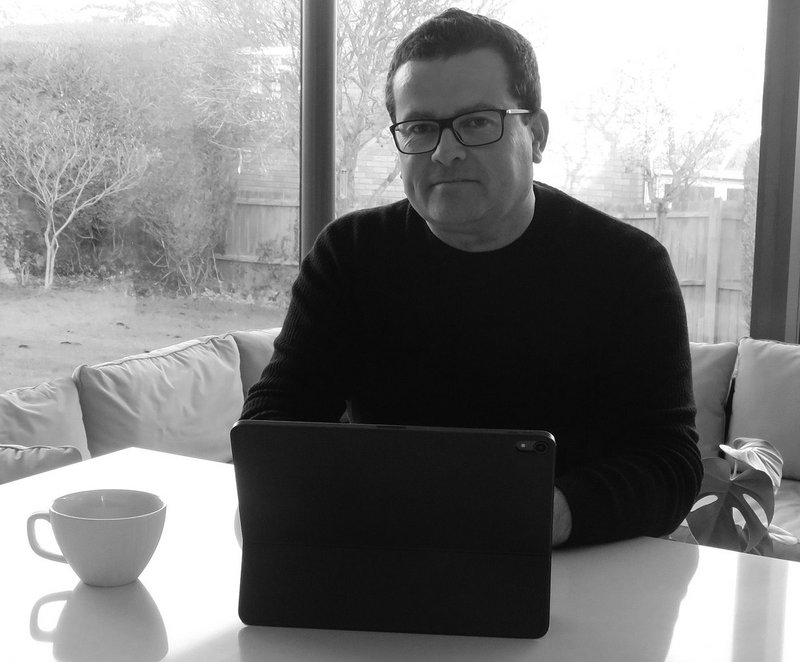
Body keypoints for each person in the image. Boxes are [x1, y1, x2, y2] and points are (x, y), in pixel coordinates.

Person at [242, 8, 702, 547]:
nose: (446, 150)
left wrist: (541, 514)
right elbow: (275, 423)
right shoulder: (350, 255)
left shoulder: (627, 267)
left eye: (478, 121)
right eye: (419, 127)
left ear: (536, 135)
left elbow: (670, 463)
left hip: (573, 566)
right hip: (387, 552)